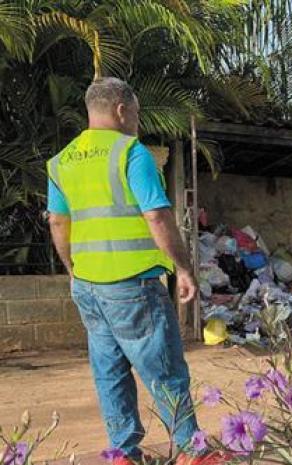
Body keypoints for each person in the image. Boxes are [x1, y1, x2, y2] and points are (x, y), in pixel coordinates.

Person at [46, 77, 224, 465]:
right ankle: (192, 452)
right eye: (137, 114)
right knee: (164, 369)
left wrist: (72, 270)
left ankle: (122, 454)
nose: (137, 122)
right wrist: (183, 269)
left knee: (109, 372)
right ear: (122, 110)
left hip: (88, 287)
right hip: (133, 285)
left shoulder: (60, 162)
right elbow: (157, 216)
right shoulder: (131, 152)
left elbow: (58, 224)